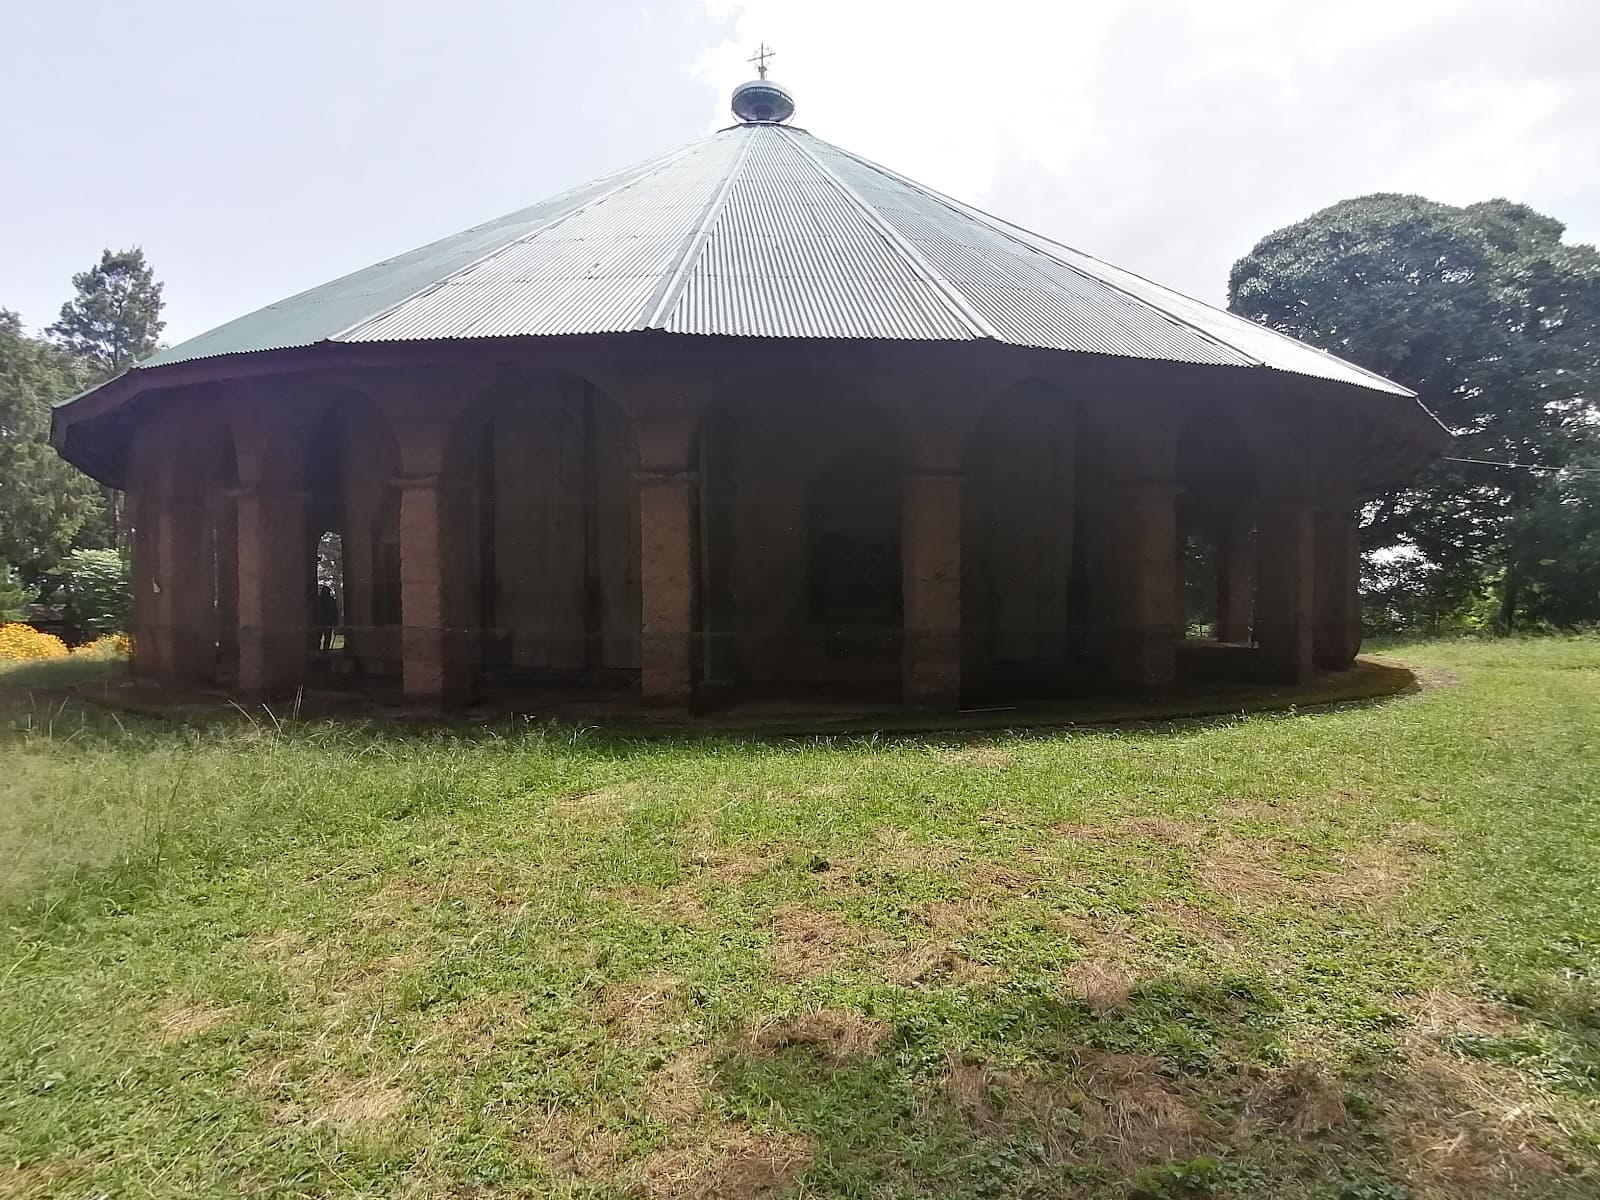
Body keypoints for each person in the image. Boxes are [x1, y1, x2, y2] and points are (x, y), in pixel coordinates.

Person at [314, 585, 341, 653]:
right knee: (322, 638)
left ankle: (323, 651)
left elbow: (335, 612)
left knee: (323, 638)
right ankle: (324, 651)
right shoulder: (321, 601)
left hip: (323, 623)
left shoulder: (318, 601)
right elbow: (335, 613)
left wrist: (335, 622)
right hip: (323, 623)